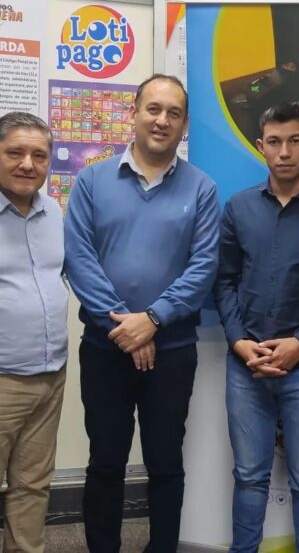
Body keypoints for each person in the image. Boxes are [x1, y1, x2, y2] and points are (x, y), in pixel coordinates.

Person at [64, 74, 220, 553]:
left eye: (173, 113)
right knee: (106, 461)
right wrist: (126, 323)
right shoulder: (92, 179)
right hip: (105, 347)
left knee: (166, 462)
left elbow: (204, 265)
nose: (162, 120)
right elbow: (79, 257)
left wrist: (151, 319)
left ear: (184, 124)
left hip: (172, 352)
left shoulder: (203, 189)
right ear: (133, 112)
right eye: (153, 108)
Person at [214, 102, 299, 553]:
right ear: (260, 145)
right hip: (245, 365)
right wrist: (239, 341)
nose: (284, 152)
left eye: (294, 141)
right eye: (274, 141)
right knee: (249, 477)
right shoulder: (239, 207)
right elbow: (224, 281)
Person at [0, 112, 68, 553]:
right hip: (2, 380)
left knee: (33, 486)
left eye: (38, 155)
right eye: (14, 153)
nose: (28, 163)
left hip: (50, 377)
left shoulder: (54, 213)